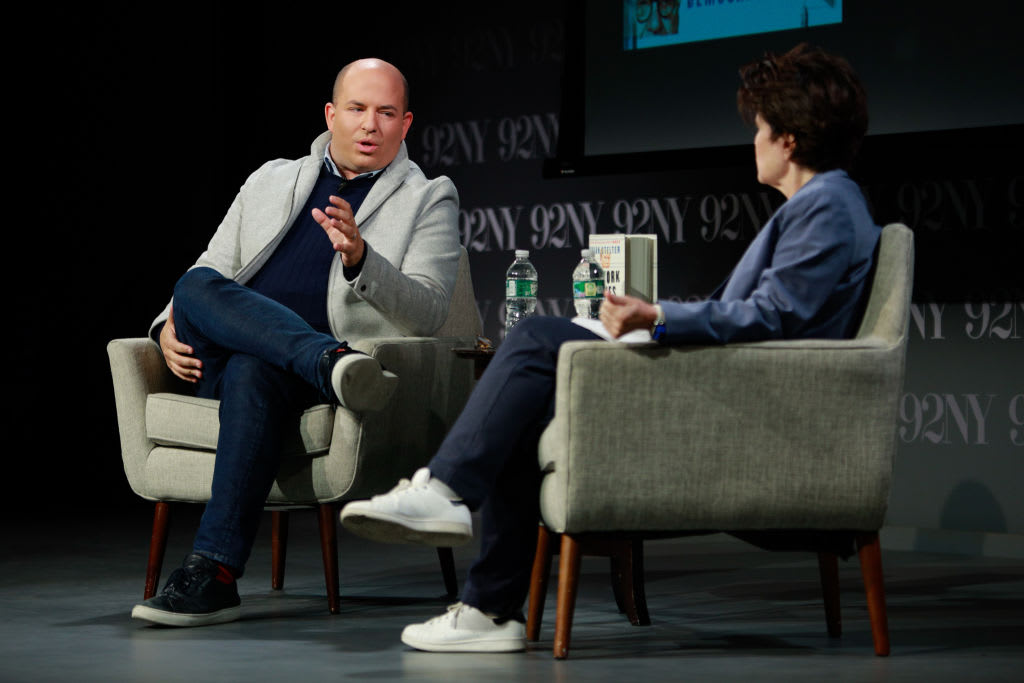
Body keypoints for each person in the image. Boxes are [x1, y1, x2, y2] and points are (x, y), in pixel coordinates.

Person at [339, 43, 880, 653]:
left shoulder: (829, 204)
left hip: (746, 407)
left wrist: (661, 317)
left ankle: (443, 492)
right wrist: (652, 319)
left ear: (789, 139)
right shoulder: (819, 206)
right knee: (526, 404)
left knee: (539, 336)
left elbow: (775, 319)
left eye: (759, 128)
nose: (752, 141)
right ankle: (490, 611)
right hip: (732, 384)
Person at [131, 58, 462, 628]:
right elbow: (208, 272)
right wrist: (165, 329)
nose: (370, 125)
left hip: (297, 381)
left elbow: (430, 311)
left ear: (405, 125)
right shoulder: (271, 178)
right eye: (357, 109)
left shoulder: (428, 196)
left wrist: (361, 258)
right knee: (192, 285)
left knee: (252, 371)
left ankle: (214, 574)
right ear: (331, 115)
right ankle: (328, 360)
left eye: (386, 113)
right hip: (305, 362)